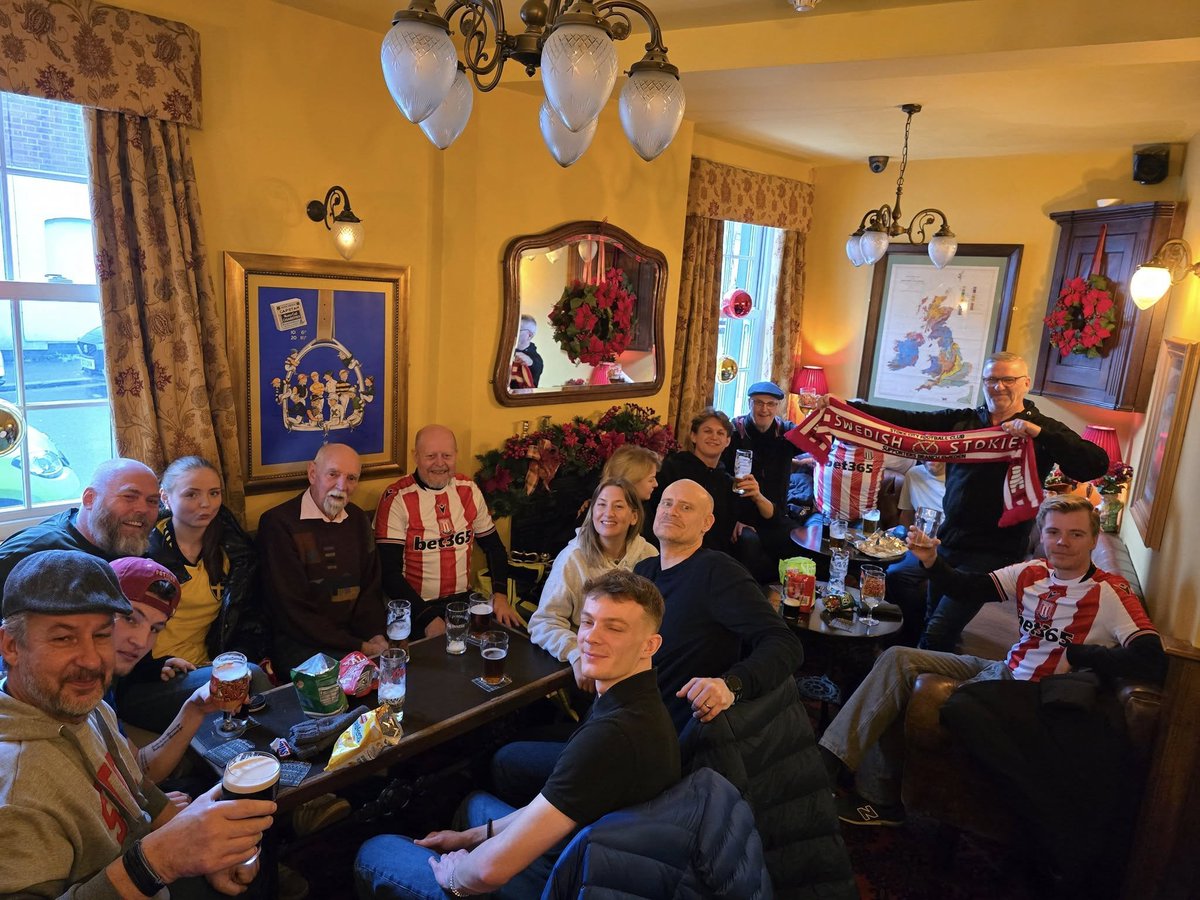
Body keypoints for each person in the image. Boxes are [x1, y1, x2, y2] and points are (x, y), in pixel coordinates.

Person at [819, 493, 1165, 828]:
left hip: (1027, 696)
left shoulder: (1111, 591)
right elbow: (967, 587)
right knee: (898, 658)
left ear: (1093, 539)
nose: (1063, 542)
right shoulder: (1033, 572)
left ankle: (879, 800)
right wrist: (930, 561)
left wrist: (1081, 655)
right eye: (1054, 532)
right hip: (1002, 669)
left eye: (1076, 534)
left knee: (909, 692)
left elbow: (1151, 658)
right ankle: (827, 763)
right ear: (1041, 536)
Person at [354, 569, 681, 900]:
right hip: (582, 849)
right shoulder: (635, 700)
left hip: (570, 883)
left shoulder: (612, 736)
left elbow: (487, 872)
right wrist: (468, 840)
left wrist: (454, 875)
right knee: (474, 806)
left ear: (649, 645)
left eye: (614, 627)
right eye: (588, 621)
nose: (591, 637)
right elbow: (553, 803)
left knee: (376, 851)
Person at [0, 549, 275, 898]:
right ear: (11, 646)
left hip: (143, 862)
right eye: (63, 637)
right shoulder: (15, 795)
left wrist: (202, 846)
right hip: (143, 874)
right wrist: (160, 859)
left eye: (101, 635)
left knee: (256, 842)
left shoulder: (86, 706)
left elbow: (133, 782)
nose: (90, 660)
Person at [850, 351, 1108, 650]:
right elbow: (910, 421)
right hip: (949, 539)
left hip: (995, 552)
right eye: (991, 379)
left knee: (938, 631)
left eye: (1007, 379)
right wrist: (849, 409)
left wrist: (1039, 434)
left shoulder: (1043, 429)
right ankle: (915, 661)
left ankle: (917, 665)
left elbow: (1095, 465)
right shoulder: (966, 421)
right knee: (917, 602)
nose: (998, 386)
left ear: (1025, 383)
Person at [635, 479, 804, 731]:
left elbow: (785, 644)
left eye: (686, 507)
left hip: (669, 728)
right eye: (667, 503)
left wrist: (730, 685)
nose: (671, 511)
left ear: (707, 523)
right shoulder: (643, 571)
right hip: (624, 713)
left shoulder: (718, 572)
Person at [119, 456, 269, 733]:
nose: (206, 504)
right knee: (252, 678)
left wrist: (241, 655)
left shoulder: (230, 550)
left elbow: (246, 617)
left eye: (214, 493)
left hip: (208, 666)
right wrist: (151, 667)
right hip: (155, 679)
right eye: (192, 494)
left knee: (250, 679)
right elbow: (117, 632)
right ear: (165, 497)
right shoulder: (143, 555)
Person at [375, 425, 518, 636]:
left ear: (456, 455)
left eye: (447, 455)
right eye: (431, 456)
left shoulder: (468, 489)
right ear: (415, 456)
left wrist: (500, 596)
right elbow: (388, 573)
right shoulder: (397, 497)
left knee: (512, 642)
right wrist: (428, 618)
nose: (440, 463)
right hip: (415, 607)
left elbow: (494, 548)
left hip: (463, 602)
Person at [257, 443, 387, 671]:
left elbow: (370, 588)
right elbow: (291, 610)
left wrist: (375, 635)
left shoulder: (357, 519)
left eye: (351, 478)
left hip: (355, 639)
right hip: (301, 644)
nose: (341, 486)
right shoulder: (279, 524)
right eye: (333, 474)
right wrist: (360, 646)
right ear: (312, 473)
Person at [105, 556, 227, 790]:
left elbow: (141, 770)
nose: (141, 641)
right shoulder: (80, 686)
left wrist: (194, 709)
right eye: (130, 618)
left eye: (154, 629)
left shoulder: (104, 683)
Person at [529, 478, 659, 692]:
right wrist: (576, 655)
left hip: (635, 664)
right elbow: (543, 622)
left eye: (618, 506)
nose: (608, 513)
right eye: (601, 504)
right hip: (593, 663)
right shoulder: (573, 558)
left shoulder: (649, 556)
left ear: (634, 516)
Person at [645, 408, 776, 581]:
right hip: (674, 552)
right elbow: (653, 508)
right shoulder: (673, 468)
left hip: (714, 559)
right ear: (693, 436)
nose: (714, 437)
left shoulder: (729, 482)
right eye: (707, 431)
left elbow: (768, 517)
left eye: (720, 433)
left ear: (728, 441)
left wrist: (756, 497)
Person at [0, 458, 160, 592]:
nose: (143, 509)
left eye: (152, 501)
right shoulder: (31, 554)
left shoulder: (143, 540)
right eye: (129, 497)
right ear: (90, 499)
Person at [722, 381, 803, 560]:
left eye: (770, 404)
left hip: (775, 515)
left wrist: (824, 408)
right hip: (742, 518)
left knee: (800, 543)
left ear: (778, 407)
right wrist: (733, 518)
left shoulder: (787, 433)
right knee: (749, 544)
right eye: (758, 402)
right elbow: (722, 478)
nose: (764, 409)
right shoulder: (734, 431)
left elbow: (817, 439)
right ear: (749, 403)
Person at [897, 459, 946, 527]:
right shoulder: (913, 474)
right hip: (921, 535)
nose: (932, 455)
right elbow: (907, 513)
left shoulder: (961, 480)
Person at [510, 314, 544, 389]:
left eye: (518, 330)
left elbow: (535, 366)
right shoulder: (507, 351)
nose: (513, 333)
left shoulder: (536, 359)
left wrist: (530, 362)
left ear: (529, 335)